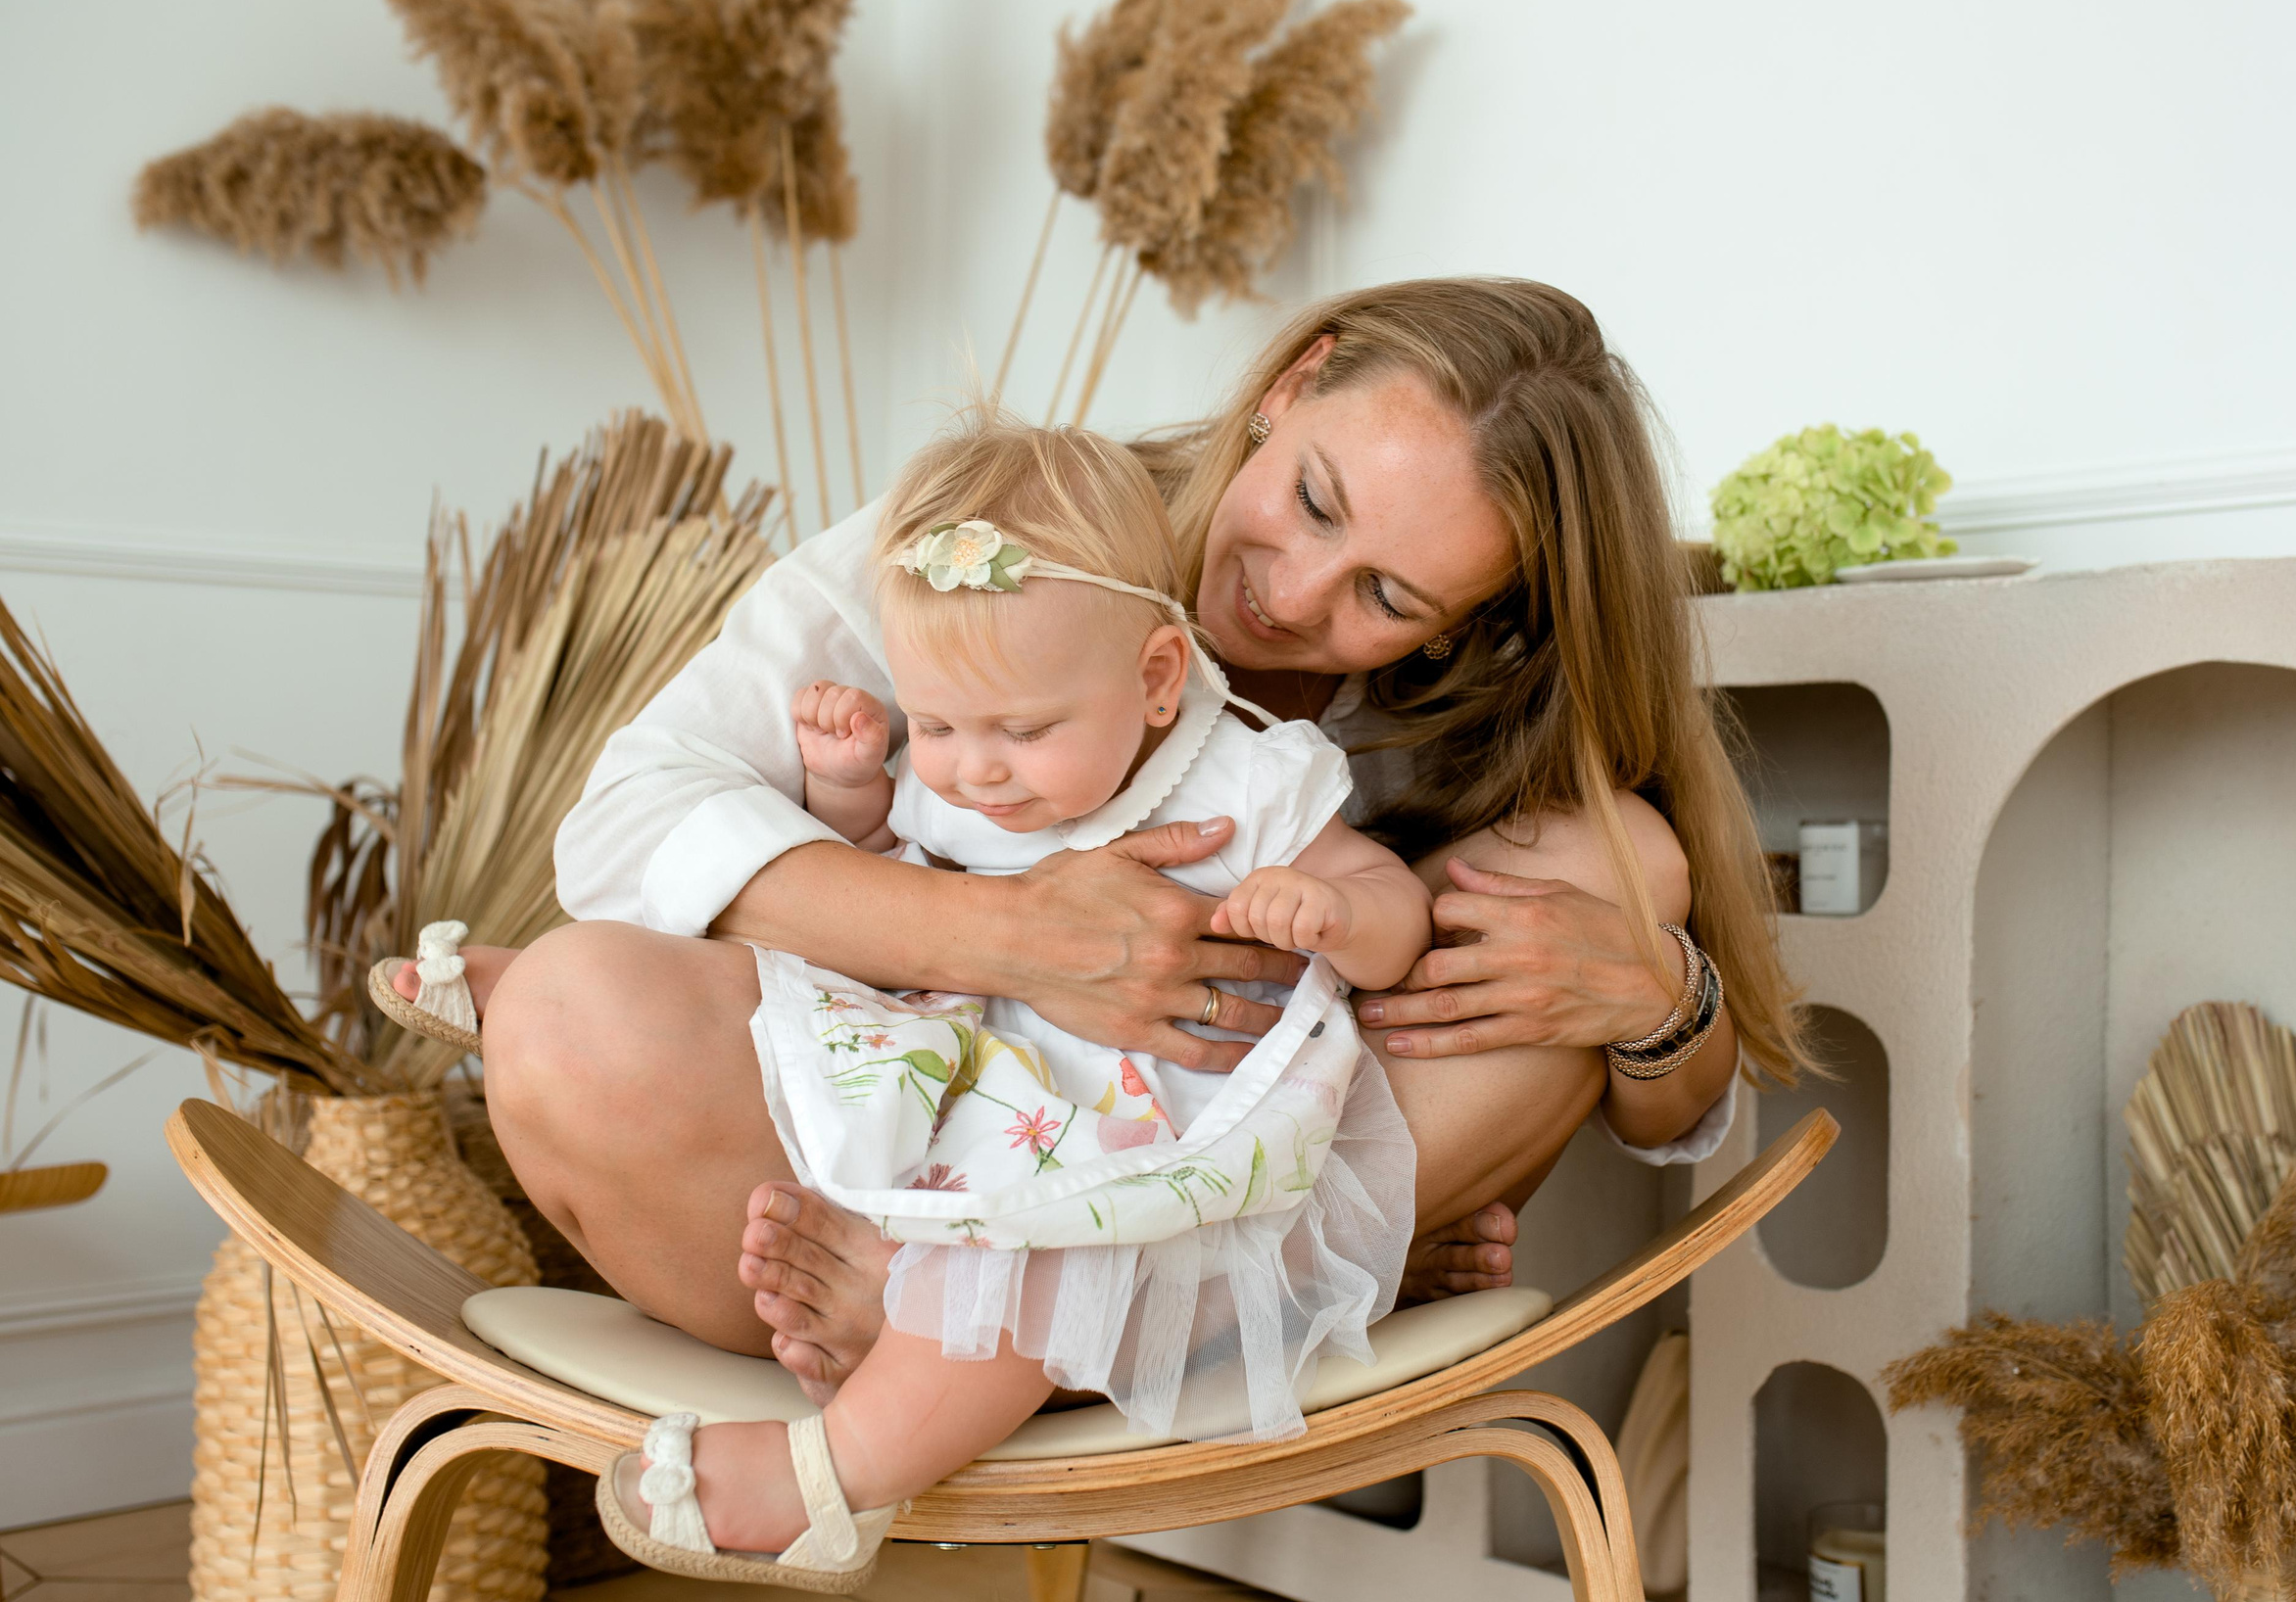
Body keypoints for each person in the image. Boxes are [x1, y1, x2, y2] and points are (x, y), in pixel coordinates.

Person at [444, 275, 1804, 1569]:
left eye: (1390, 597)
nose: (1297, 592)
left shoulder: (1391, 730)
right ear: (1291, 381)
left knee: (1622, 859)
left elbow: (1663, 1107)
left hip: (1168, 1157)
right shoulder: (1004, 538)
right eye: (1313, 499)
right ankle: (1059, 1321)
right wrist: (1002, 933)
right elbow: (617, 831)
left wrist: (1656, 999)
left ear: (1469, 619)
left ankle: (989, 1332)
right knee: (567, 1019)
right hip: (868, 1155)